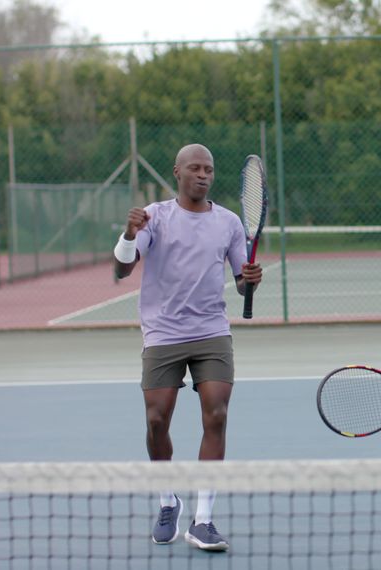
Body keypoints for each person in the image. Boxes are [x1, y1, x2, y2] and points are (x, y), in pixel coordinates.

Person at [113, 143, 262, 551]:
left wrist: (251, 278)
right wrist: (129, 234)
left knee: (216, 414)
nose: (203, 175)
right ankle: (167, 499)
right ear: (176, 172)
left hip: (211, 331)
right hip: (162, 333)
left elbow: (241, 279)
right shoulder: (155, 217)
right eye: (195, 168)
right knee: (157, 421)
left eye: (209, 169)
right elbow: (124, 266)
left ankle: (203, 519)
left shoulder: (229, 223)